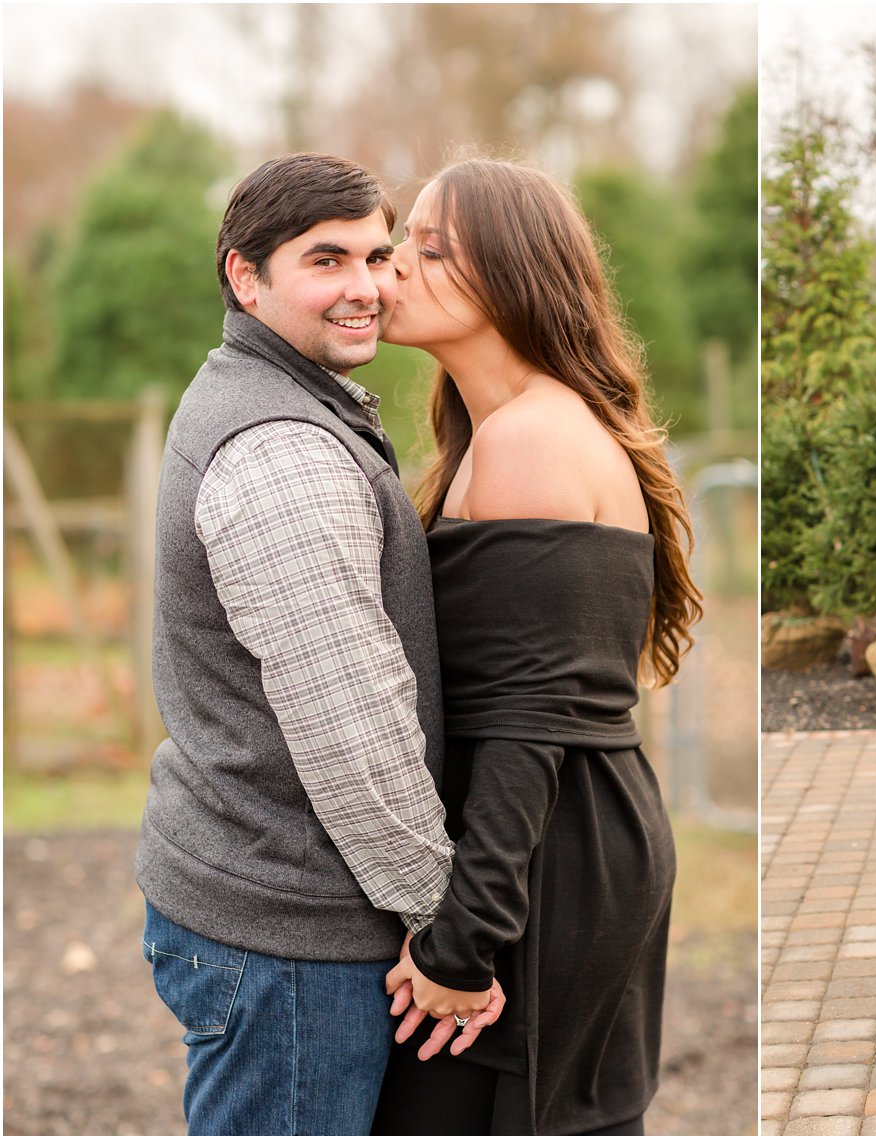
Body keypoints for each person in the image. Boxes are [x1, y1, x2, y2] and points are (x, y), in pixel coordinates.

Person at [136, 152, 502, 1136]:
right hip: (285, 942)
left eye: (378, 256)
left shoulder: (274, 395)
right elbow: (351, 720)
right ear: (245, 277)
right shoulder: (280, 449)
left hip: (266, 911)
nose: (366, 288)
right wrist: (446, 925)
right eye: (326, 260)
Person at [366, 157, 701, 1136]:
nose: (396, 269)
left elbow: (523, 730)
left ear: (513, 273)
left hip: (544, 855)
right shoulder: (496, 430)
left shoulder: (531, 443)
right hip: (569, 835)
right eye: (401, 245)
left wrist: (460, 944)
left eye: (432, 249)